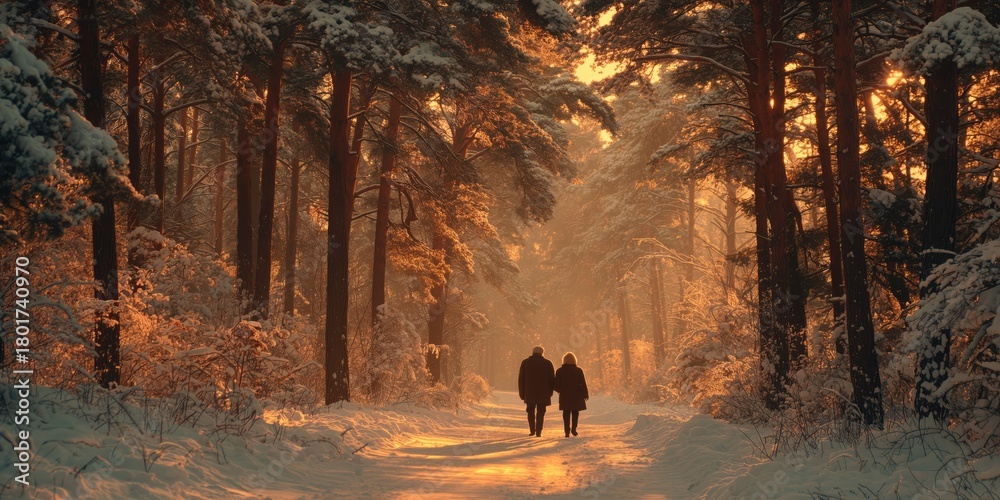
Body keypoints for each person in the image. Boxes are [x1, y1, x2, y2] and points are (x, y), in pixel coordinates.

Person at [518, 345, 554, 437]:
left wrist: (522, 393)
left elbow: (521, 379)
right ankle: (538, 431)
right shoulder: (548, 363)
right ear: (542, 353)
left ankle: (532, 430)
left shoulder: (525, 363)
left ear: (532, 352)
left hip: (529, 393)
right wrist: (550, 392)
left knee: (530, 412)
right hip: (543, 393)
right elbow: (552, 380)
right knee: (541, 413)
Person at [553, 352, 589, 437]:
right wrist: (585, 394)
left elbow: (556, 385)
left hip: (564, 395)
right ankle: (574, 429)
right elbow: (583, 383)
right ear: (574, 360)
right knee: (575, 412)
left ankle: (566, 431)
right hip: (576, 395)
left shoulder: (559, 371)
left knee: (566, 413)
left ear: (564, 360)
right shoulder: (578, 370)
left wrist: (559, 390)